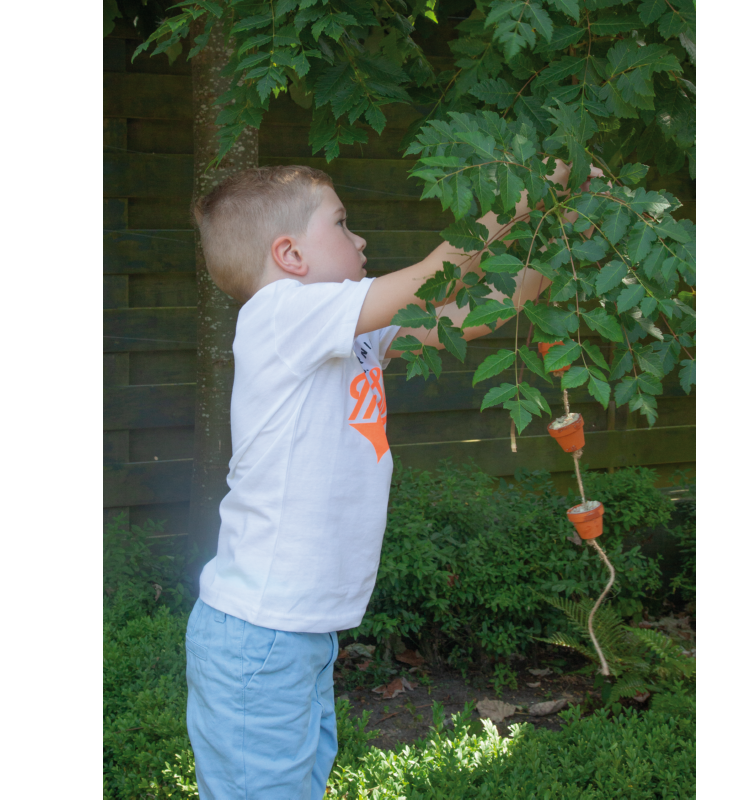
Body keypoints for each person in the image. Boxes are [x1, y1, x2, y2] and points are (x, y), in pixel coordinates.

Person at [185, 159, 597, 799]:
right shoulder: (278, 314)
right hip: (259, 636)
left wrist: (562, 225)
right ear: (289, 254)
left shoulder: (349, 332)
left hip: (295, 634)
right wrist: (525, 195)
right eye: (343, 224)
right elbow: (434, 273)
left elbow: (469, 314)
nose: (361, 240)